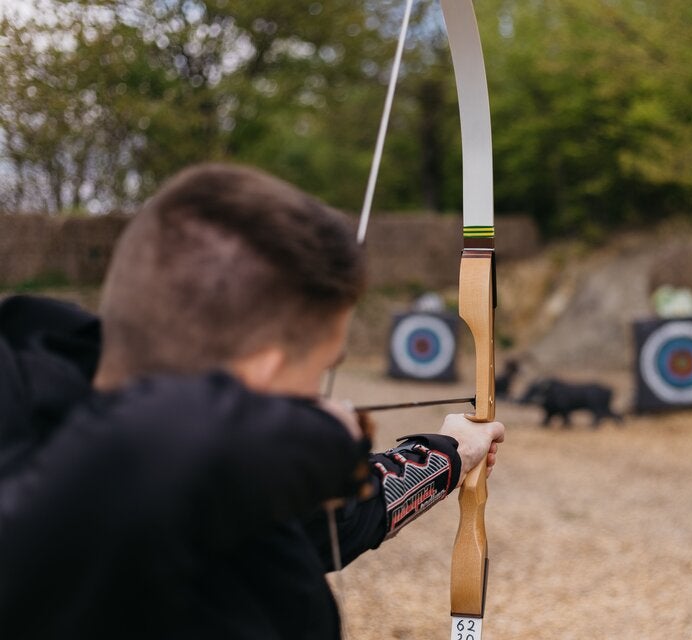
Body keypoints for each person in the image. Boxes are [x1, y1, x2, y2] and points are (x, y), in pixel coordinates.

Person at [0, 163, 505, 639]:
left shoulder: (225, 472)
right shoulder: (51, 518)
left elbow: (329, 520)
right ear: (259, 374)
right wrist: (292, 437)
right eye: (320, 369)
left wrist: (447, 455)